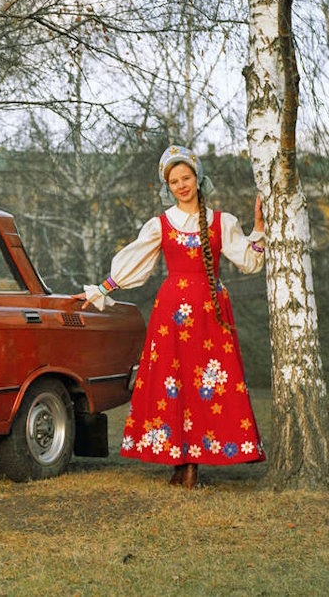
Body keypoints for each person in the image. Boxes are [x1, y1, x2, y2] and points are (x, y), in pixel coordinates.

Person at [74, 145, 267, 488]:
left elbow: (249, 262)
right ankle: (181, 460)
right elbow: (136, 264)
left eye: (186, 178)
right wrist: (101, 290)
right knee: (173, 384)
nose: (181, 185)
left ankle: (192, 463)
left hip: (211, 313)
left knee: (205, 385)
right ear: (168, 186)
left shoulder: (222, 222)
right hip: (173, 313)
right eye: (174, 180)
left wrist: (259, 228)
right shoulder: (161, 224)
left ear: (198, 178)